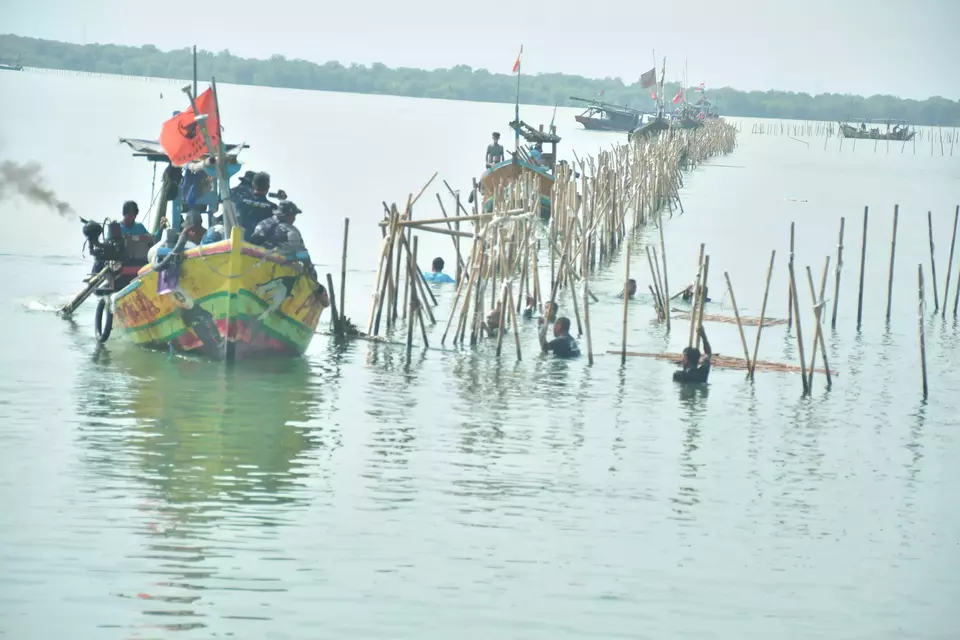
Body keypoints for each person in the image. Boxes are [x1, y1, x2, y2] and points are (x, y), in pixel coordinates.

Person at [238, 172, 278, 238]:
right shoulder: (273, 207)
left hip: (241, 240)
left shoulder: (241, 202)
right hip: (261, 244)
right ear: (268, 187)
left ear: (253, 185)